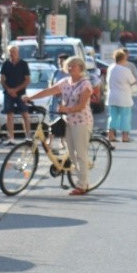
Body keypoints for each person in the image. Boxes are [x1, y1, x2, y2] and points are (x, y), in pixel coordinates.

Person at [23, 56, 94, 195]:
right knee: (71, 154)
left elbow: (80, 106)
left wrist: (65, 109)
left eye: (73, 66)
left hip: (81, 122)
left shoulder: (85, 85)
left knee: (80, 153)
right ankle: (80, 177)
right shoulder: (65, 82)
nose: (70, 68)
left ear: (81, 68)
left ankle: (83, 185)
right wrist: (31, 98)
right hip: (68, 121)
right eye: (68, 65)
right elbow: (49, 91)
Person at [0, 44, 31, 144]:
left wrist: (16, 90)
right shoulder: (5, 64)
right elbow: (2, 80)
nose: (13, 54)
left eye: (14, 52)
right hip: (8, 93)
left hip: (21, 93)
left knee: (25, 114)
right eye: (11, 52)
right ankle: (11, 138)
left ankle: (28, 137)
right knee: (9, 115)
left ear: (18, 52)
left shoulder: (23, 64)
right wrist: (8, 89)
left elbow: (27, 80)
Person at [106, 48, 137, 142]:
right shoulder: (125, 70)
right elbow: (133, 81)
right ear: (123, 58)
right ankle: (125, 136)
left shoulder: (111, 68)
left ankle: (111, 135)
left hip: (112, 96)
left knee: (113, 117)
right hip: (124, 97)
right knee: (125, 117)